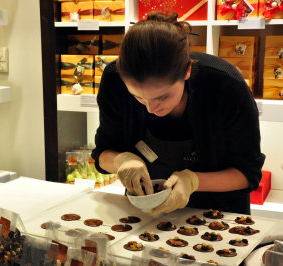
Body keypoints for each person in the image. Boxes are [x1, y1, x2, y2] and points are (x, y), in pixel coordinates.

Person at [91, 12, 265, 215]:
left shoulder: (226, 86)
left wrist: (194, 181)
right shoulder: (114, 81)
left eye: (162, 97)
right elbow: (102, 153)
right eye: (138, 97)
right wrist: (122, 160)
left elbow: (248, 173)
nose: (150, 109)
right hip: (145, 212)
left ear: (187, 71)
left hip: (217, 215)